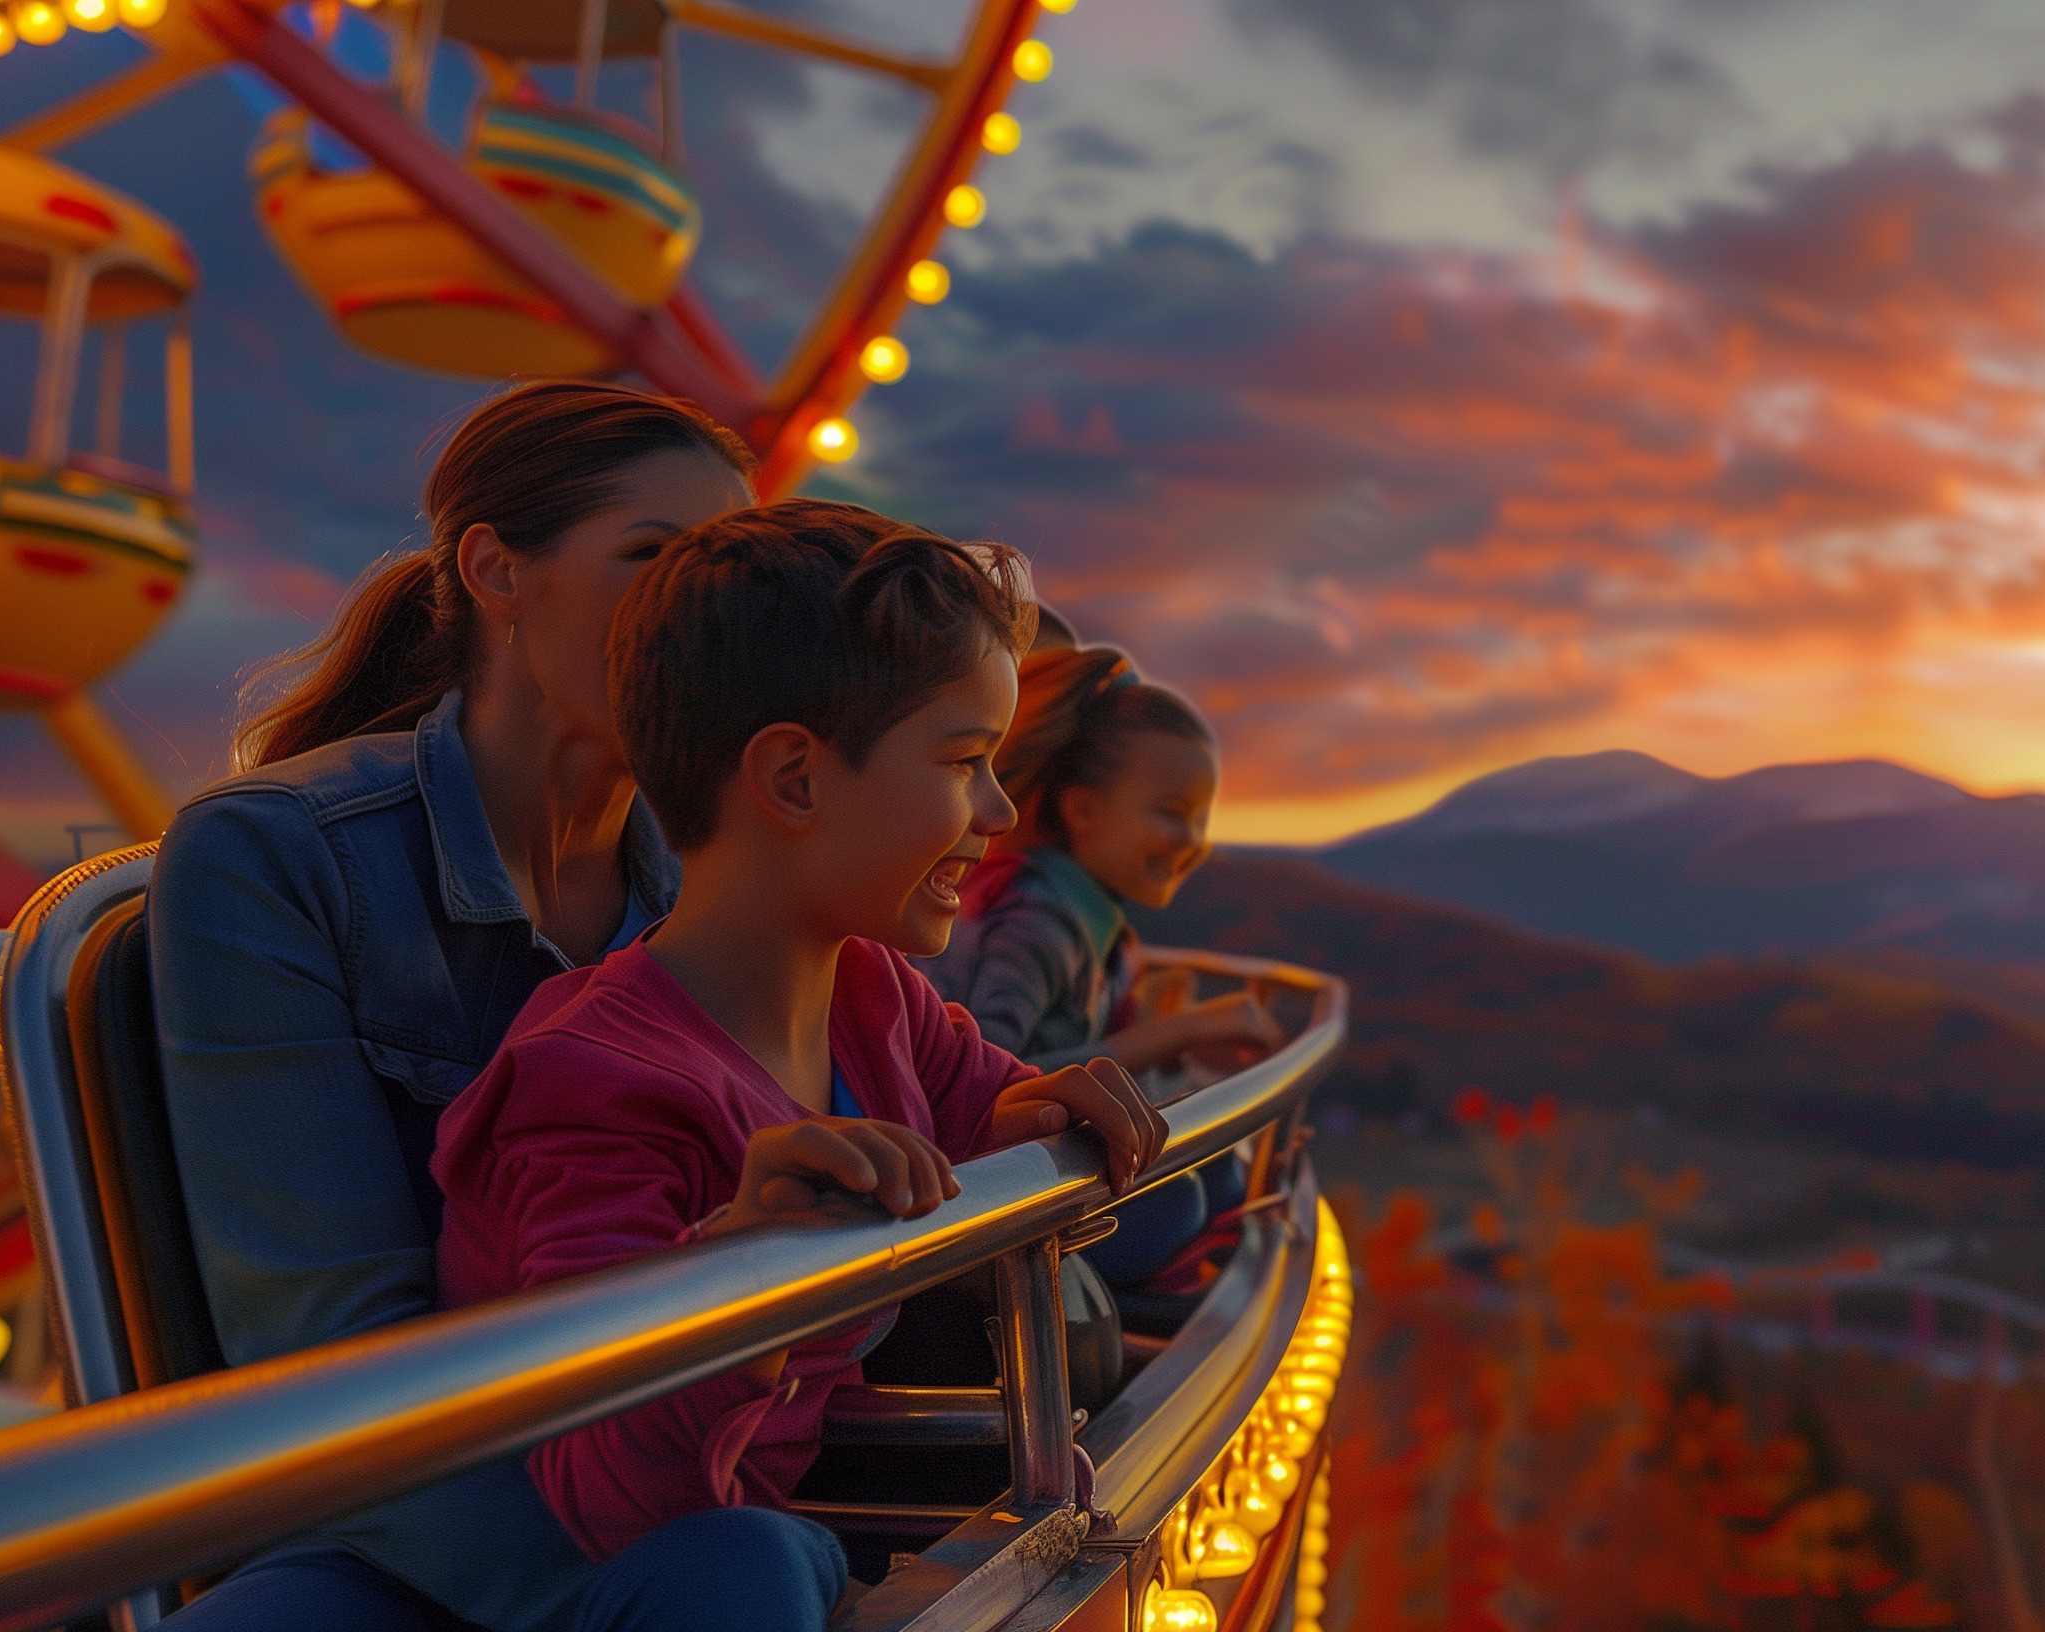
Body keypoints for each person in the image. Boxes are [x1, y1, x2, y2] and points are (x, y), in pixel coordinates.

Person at [147, 384, 1086, 1631]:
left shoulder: (747, 881)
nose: (693, 608)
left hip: (684, 1480)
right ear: (495, 570)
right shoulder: (279, 860)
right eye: (655, 559)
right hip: (432, 1526)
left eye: (714, 569)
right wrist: (645, 1587)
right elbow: (328, 1352)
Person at [433, 503, 1161, 1610]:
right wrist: (744, 1273)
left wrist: (1046, 1115)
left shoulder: (872, 997)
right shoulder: (590, 1086)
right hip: (576, 1587)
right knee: (752, 1568)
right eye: (965, 761)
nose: (1001, 811)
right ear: (793, 781)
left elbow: (982, 1106)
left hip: (780, 1519)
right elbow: (610, 1506)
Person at [920, 644, 1277, 1289]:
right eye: (1172, 813)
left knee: (1221, 1166)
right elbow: (989, 1071)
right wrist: (1175, 1034)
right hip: (989, 1187)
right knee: (1181, 1201)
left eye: (1200, 818)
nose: (1193, 840)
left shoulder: (1094, 922)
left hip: (1048, 1163)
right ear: (1082, 810)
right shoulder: (1037, 921)